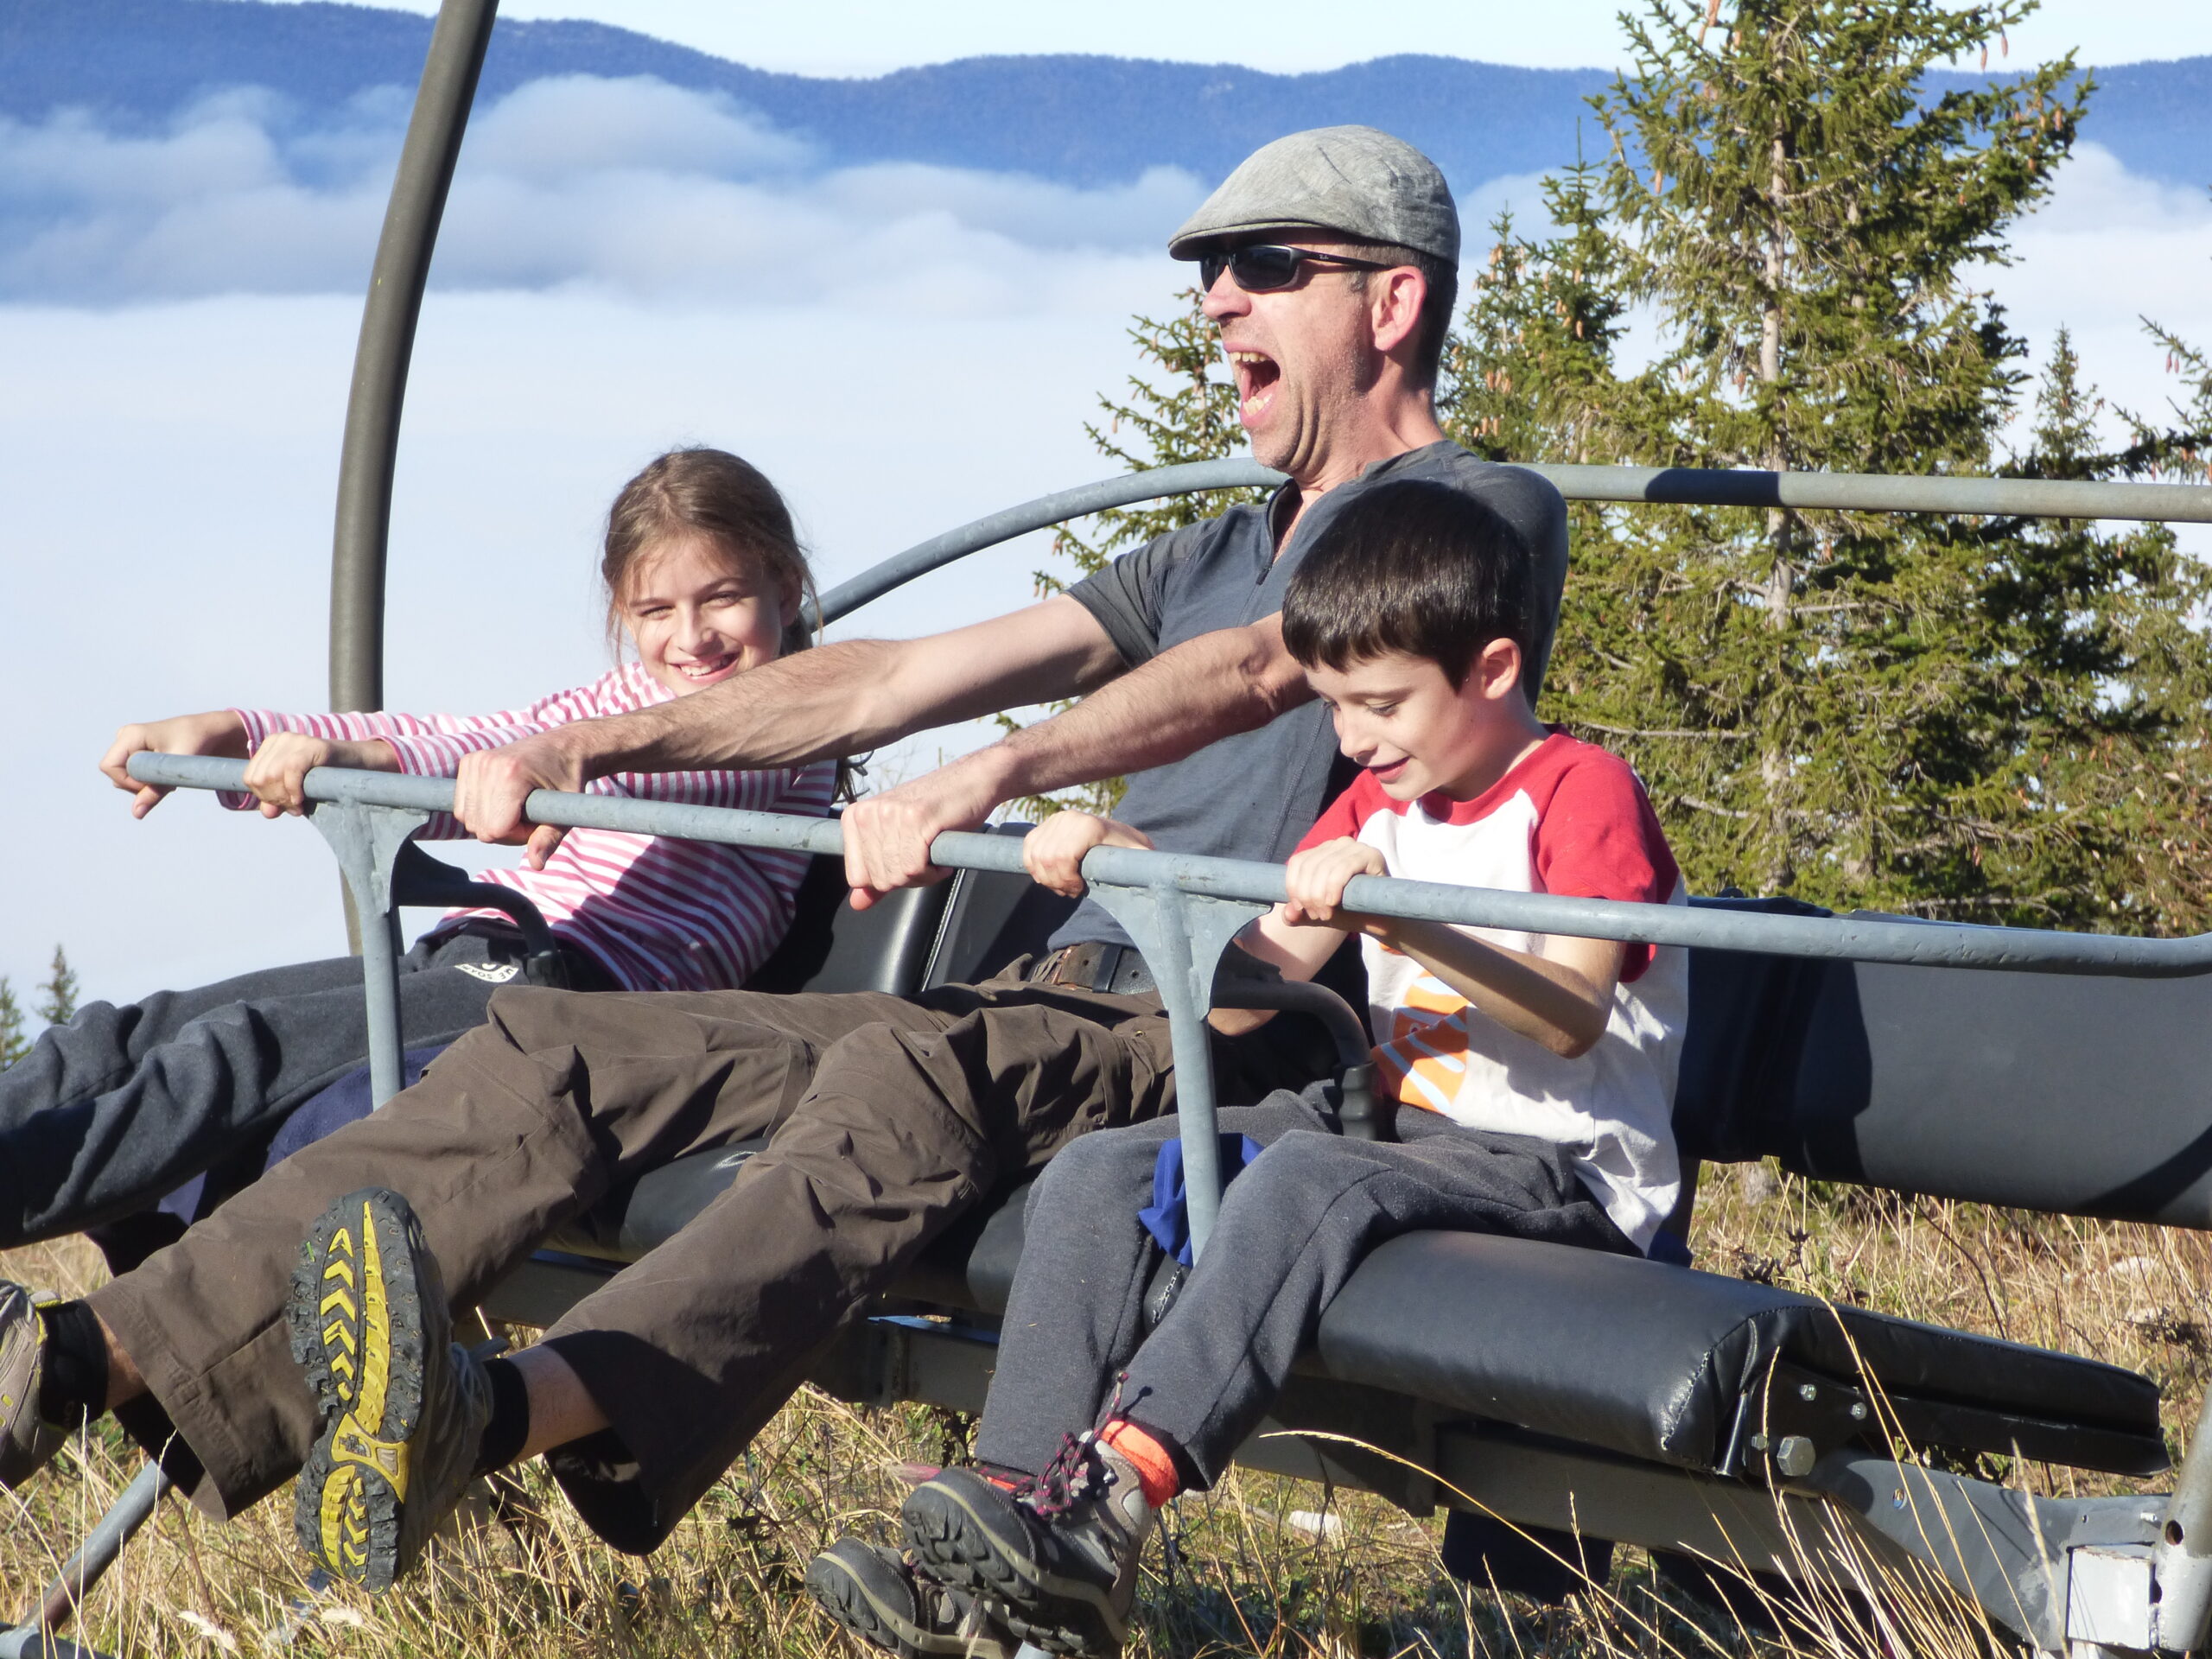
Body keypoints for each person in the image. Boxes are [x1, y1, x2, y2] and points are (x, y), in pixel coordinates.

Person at [0, 127, 1572, 1593]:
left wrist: (1012, 765)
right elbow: (881, 680)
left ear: (1392, 300)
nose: (1218, 295)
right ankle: (86, 1367)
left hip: (1221, 1016)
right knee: (562, 1051)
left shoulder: (1467, 518)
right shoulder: (1210, 542)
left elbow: (1265, 668)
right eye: (1207, 273)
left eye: (1266, 267)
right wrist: (587, 750)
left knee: (908, 1092)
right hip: (1054, 995)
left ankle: (512, 1414)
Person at [811, 479, 1689, 1659]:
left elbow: (1574, 1011)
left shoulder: (1582, 791)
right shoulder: (1381, 799)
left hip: (1562, 1173)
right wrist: (1134, 867)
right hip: (1412, 1150)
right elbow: (1238, 995)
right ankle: (1014, 1535)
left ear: (1489, 670)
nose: (1354, 740)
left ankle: (1112, 1501)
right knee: (1106, 1175)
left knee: (1308, 1177)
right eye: (1333, 708)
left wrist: (1404, 917)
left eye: (1380, 704)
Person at [0, 447, 838, 1259]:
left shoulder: (792, 722)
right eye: (656, 612)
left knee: (244, 1058)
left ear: (785, 584)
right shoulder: (625, 701)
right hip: (483, 953)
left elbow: (572, 762)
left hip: (581, 995)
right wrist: (245, 732)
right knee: (142, 1032)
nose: (690, 637)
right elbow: (470, 734)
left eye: (721, 599)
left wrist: (393, 771)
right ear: (625, 613)